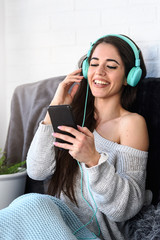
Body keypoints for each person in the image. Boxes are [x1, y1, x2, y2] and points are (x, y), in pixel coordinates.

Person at [0, 34, 152, 240]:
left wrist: (93, 160)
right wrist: (54, 107)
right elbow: (37, 171)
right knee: (24, 206)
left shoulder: (131, 124)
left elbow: (126, 209)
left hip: (98, 235)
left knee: (31, 203)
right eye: (94, 63)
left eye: (112, 66)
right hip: (56, 223)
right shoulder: (72, 116)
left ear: (130, 76)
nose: (99, 72)